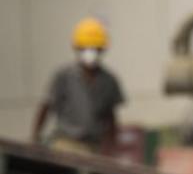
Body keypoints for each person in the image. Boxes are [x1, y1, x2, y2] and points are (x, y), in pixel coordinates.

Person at [32, 17, 125, 154]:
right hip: (66, 143)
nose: (90, 53)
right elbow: (47, 106)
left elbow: (111, 118)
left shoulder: (109, 81)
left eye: (95, 48)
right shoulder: (64, 76)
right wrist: (35, 137)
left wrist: (111, 148)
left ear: (102, 50)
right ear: (77, 48)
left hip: (94, 146)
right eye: (86, 48)